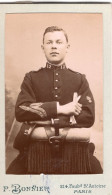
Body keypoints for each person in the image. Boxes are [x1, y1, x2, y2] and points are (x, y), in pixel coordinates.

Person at [6, 26, 103, 174]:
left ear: (67, 47)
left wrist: (43, 121)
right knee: (11, 175)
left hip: (74, 150)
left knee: (98, 174)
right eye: (49, 42)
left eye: (59, 42)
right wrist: (62, 109)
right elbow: (21, 111)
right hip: (35, 148)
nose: (54, 46)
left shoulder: (79, 79)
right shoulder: (31, 78)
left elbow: (88, 117)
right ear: (43, 47)